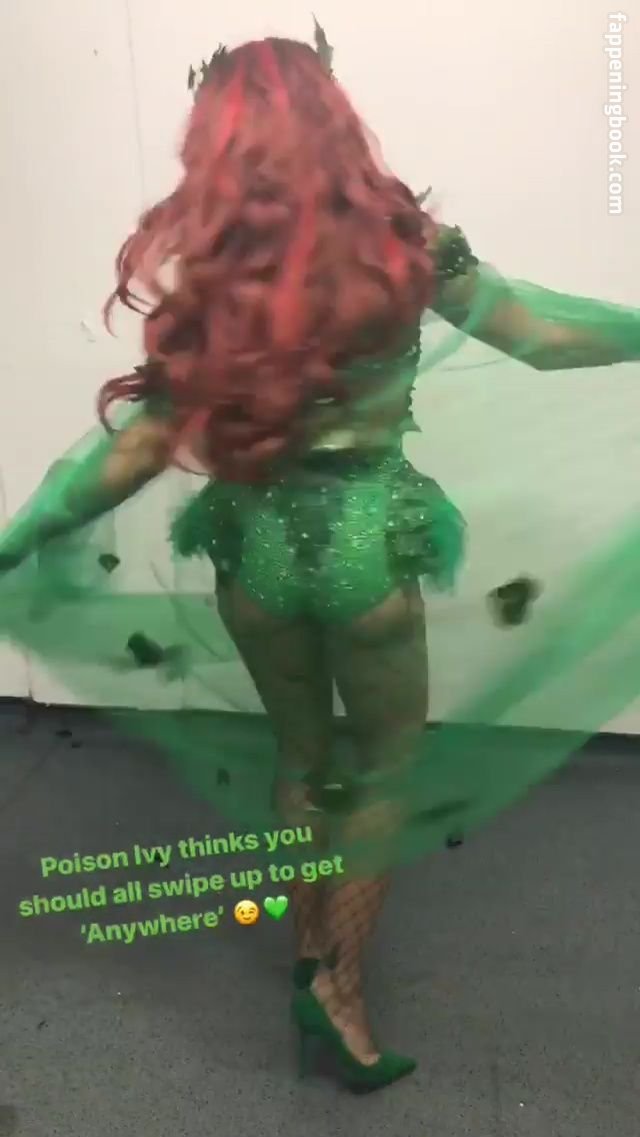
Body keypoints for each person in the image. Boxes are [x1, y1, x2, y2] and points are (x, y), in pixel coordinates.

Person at [2, 28, 640, 1093]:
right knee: (383, 766)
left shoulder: (221, 273)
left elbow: (140, 446)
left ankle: (309, 951)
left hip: (252, 553)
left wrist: (21, 535)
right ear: (336, 120)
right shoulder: (404, 247)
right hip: (364, 552)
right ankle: (338, 988)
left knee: (302, 757)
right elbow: (541, 334)